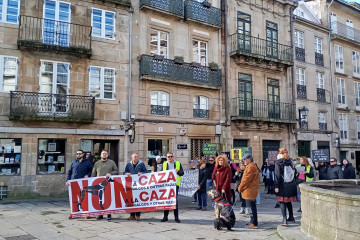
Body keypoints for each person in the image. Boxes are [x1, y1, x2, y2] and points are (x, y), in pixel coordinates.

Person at [91, 149, 118, 220]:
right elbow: (93, 174)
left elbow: (116, 171)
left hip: (108, 184)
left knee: (108, 198)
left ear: (107, 155)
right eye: (103, 154)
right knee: (99, 198)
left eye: (106, 154)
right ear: (100, 155)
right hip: (99, 185)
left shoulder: (112, 162)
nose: (104, 155)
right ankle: (100, 214)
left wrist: (111, 174)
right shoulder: (96, 163)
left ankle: (109, 214)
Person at [274, 147, 297, 226]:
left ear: (279, 153)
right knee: (288, 201)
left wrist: (276, 186)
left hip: (282, 184)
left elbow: (277, 175)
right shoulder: (290, 161)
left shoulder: (278, 162)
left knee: (282, 201)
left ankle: (284, 219)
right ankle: (291, 217)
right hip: (291, 184)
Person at [161, 152, 184, 223]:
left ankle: (176, 217)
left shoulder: (177, 163)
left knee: (175, 201)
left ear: (173, 157)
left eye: (171, 156)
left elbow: (182, 173)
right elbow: (161, 174)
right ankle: (165, 217)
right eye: (168, 156)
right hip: (167, 185)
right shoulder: (164, 164)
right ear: (166, 157)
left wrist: (178, 172)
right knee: (167, 201)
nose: (170, 158)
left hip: (175, 185)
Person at [238, 153, 259, 229]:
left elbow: (246, 180)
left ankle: (254, 223)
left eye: (245, 159)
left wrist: (240, 187)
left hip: (250, 190)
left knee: (250, 207)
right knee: (251, 206)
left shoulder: (250, 167)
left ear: (249, 159)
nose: (244, 161)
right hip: (250, 189)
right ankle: (252, 222)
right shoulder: (251, 166)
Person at [124, 153, 147, 221]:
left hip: (139, 185)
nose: (136, 158)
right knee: (131, 200)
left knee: (138, 200)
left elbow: (146, 172)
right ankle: (132, 215)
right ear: (132, 158)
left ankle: (138, 215)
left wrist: (142, 173)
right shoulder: (128, 164)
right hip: (130, 185)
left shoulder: (141, 164)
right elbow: (124, 172)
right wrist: (126, 174)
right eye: (134, 157)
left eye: (137, 157)